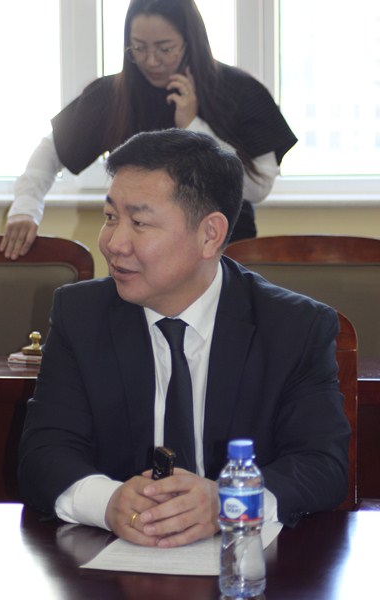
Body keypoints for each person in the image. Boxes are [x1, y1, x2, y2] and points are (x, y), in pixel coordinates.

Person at [18, 128, 350, 549]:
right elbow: (42, 454)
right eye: (110, 217)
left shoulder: (294, 327)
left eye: (139, 222)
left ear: (210, 234)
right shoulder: (81, 314)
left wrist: (229, 500)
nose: (114, 243)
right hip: (118, 563)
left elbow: (322, 465)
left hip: (246, 566)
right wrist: (108, 502)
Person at [0, 0, 297, 260]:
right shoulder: (114, 94)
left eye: (165, 49)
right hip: (136, 256)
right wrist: (26, 208)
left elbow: (259, 188)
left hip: (223, 255)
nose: (151, 61)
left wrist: (194, 126)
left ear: (190, 41)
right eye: (139, 48)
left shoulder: (241, 91)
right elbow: (51, 150)